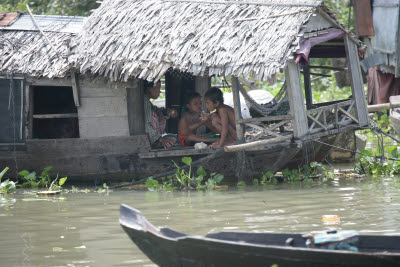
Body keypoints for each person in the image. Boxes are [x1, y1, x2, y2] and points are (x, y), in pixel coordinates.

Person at [143, 80, 178, 148]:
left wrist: (166, 112)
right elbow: (146, 124)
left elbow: (156, 110)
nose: (159, 91)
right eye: (158, 87)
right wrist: (161, 139)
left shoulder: (146, 100)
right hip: (150, 140)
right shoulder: (144, 102)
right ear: (150, 89)